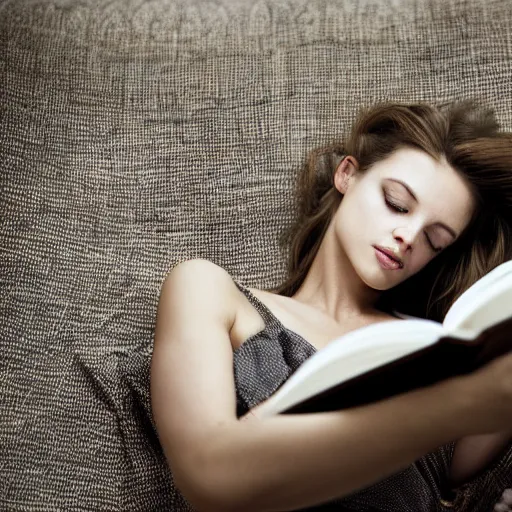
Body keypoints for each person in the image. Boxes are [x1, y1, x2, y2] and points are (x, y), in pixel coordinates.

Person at [150, 99, 512, 511]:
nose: (408, 235)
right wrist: (452, 408)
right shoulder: (211, 292)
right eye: (396, 202)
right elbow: (207, 475)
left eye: (435, 239)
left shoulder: (439, 351)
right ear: (347, 174)